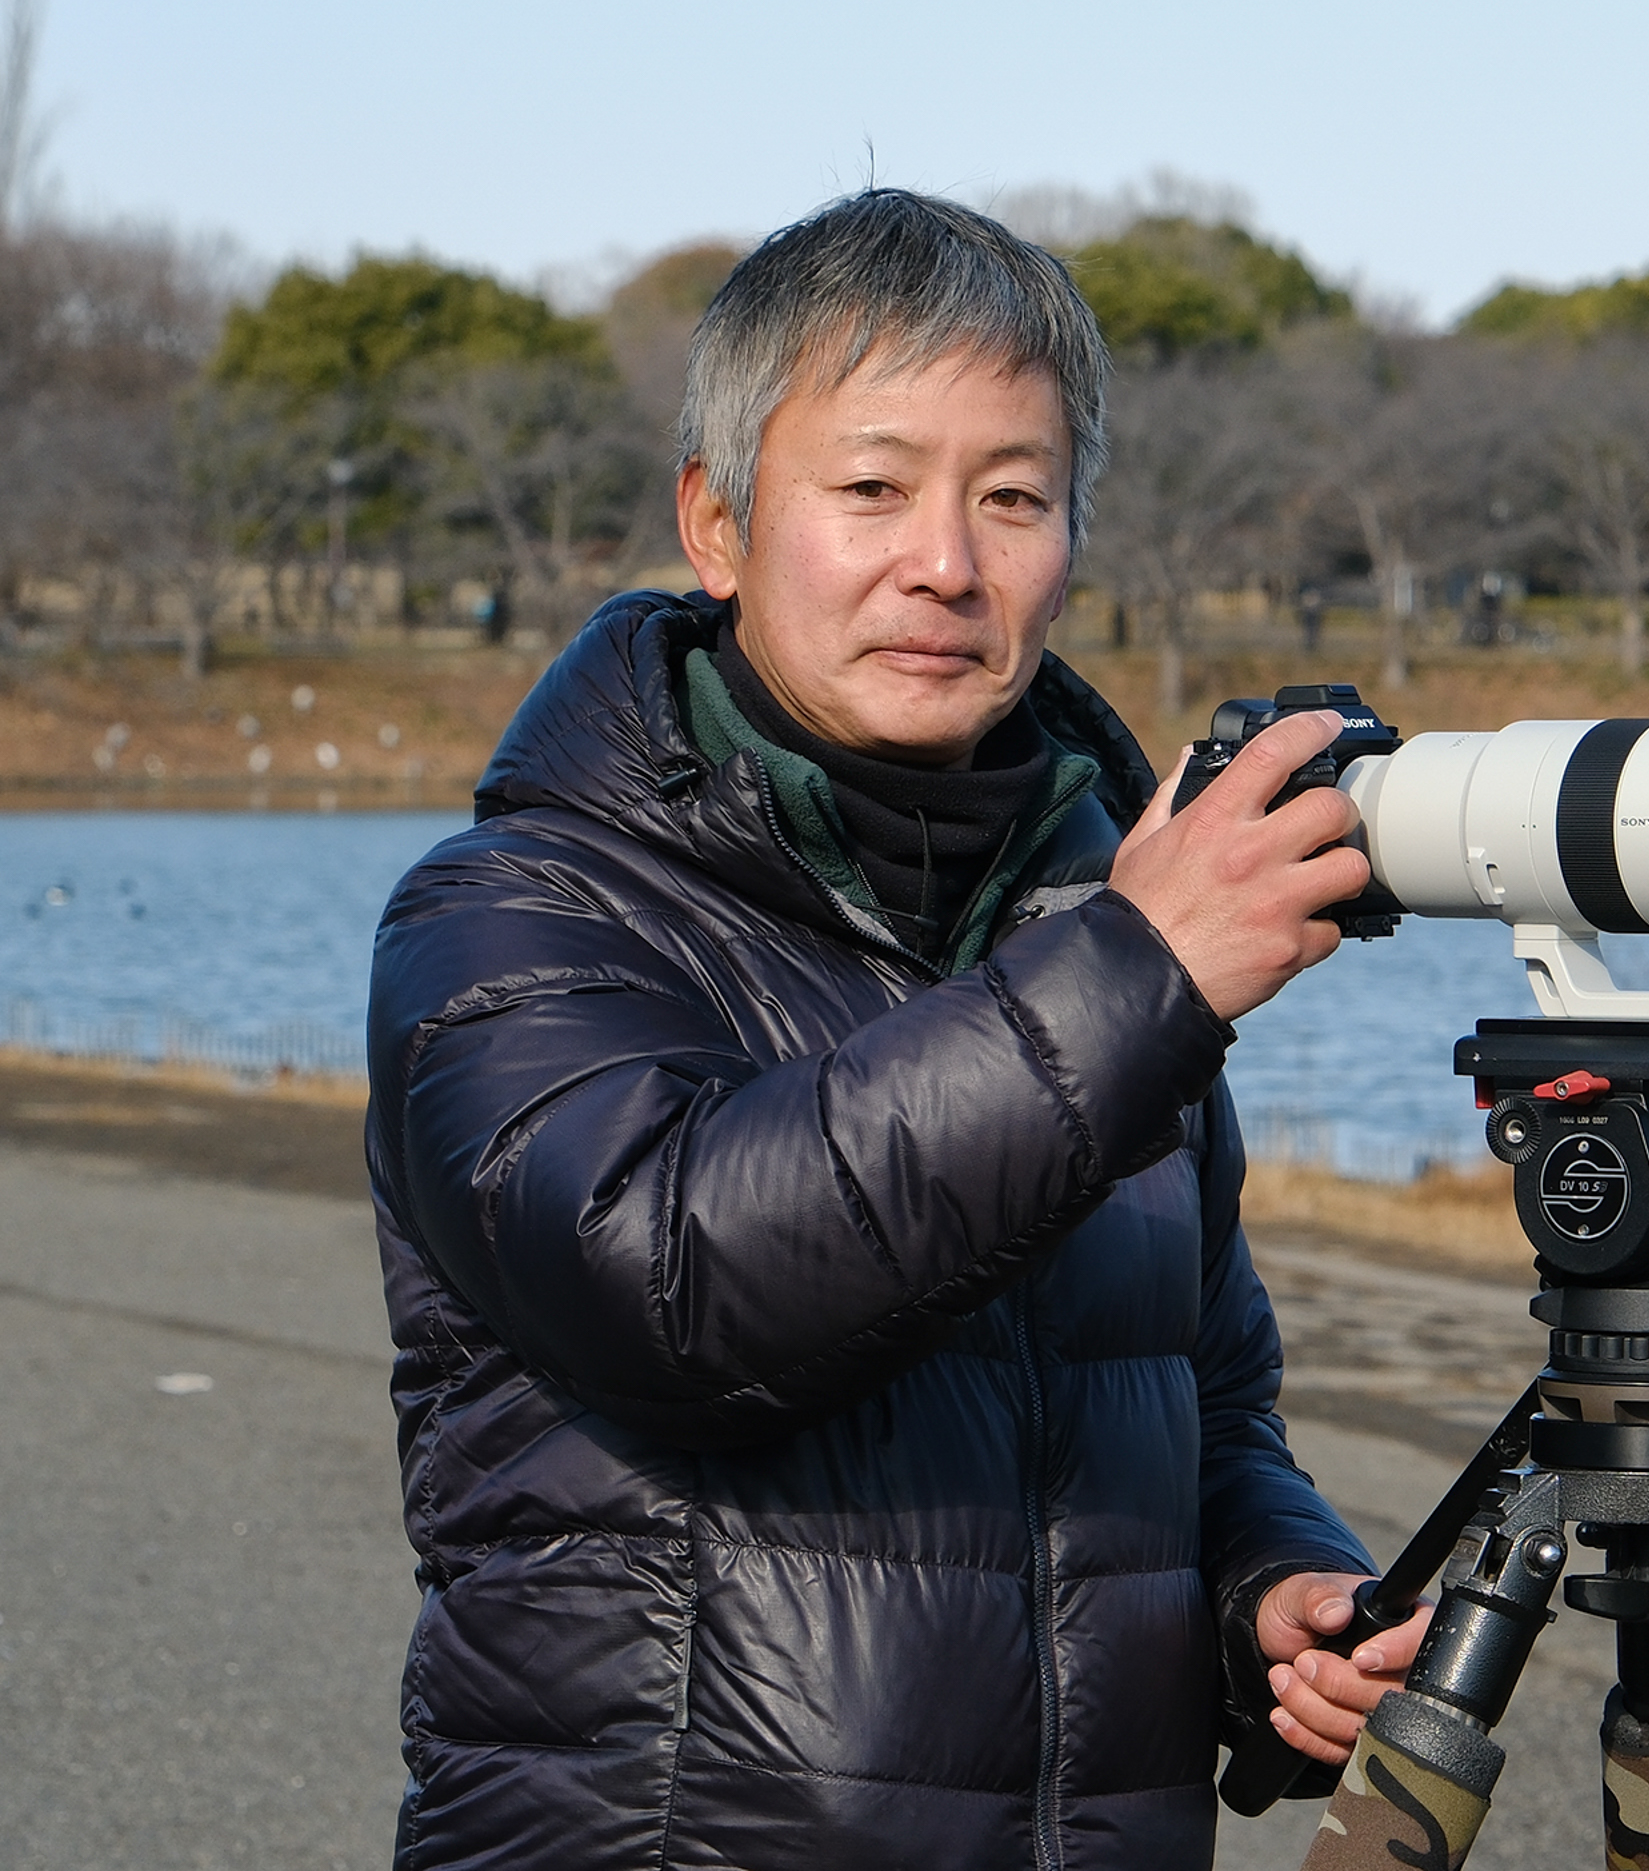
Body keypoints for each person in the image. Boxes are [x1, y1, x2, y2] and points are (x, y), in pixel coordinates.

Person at [366, 190, 1425, 1870]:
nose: (946, 562)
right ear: (717, 525)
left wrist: (1267, 1596)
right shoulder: (514, 912)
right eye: (870, 488)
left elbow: (1200, 1394)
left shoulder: (1100, 925)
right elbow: (676, 1283)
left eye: (1013, 498)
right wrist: (1146, 972)